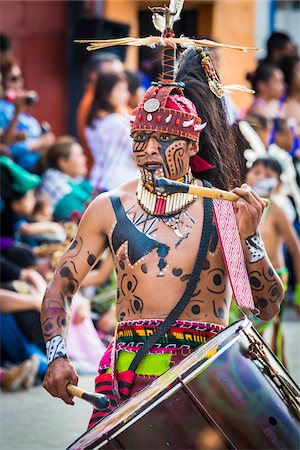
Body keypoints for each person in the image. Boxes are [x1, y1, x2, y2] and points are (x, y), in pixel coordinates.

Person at [41, 44, 284, 429]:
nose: (149, 151)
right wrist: (56, 355)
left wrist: (250, 239)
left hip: (207, 386)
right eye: (141, 139)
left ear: (190, 147)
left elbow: (267, 308)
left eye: (165, 139)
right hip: (127, 385)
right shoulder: (108, 207)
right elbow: (59, 289)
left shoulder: (222, 209)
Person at [245, 157, 300, 363]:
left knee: (270, 337)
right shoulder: (240, 205)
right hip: (249, 281)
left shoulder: (277, 211)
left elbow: (296, 251)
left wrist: (299, 295)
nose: (260, 178)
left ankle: (281, 384)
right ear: (247, 175)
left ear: (278, 184)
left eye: (267, 176)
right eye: (256, 172)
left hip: (274, 281)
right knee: (253, 335)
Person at [85, 72, 138, 192]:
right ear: (106, 93)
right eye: (121, 90)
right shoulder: (116, 122)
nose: (126, 94)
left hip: (97, 179)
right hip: (119, 181)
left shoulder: (92, 120)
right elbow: (137, 148)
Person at [0, 60, 55, 171]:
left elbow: (21, 137)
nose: (20, 83)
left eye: (20, 78)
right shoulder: (3, 107)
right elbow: (8, 146)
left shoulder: (17, 106)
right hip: (21, 173)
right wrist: (40, 143)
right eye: (14, 79)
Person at [76, 52, 124, 173]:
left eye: (120, 74)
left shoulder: (114, 103)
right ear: (94, 76)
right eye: (112, 75)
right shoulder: (92, 105)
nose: (119, 80)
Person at [41, 136, 93, 221]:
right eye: (79, 155)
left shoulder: (77, 179)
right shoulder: (61, 189)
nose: (85, 159)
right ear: (63, 163)